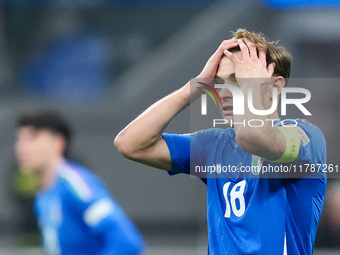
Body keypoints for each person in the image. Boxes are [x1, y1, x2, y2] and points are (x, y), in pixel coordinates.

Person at [114, 29, 327, 254]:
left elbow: (253, 138)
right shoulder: (215, 144)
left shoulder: (306, 137)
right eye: (219, 82)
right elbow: (129, 143)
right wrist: (195, 86)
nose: (223, 92)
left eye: (238, 80)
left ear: (275, 87)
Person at [15, 111, 145, 255]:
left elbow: (128, 242)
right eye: (20, 139)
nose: (21, 147)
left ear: (58, 142)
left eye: (32, 138)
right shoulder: (42, 197)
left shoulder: (74, 184)